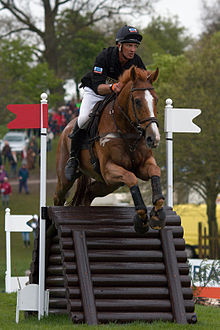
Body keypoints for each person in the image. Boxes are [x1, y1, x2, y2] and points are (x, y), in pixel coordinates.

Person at [65, 25, 146, 181]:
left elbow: (142, 84)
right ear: (119, 45)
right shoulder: (105, 56)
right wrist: (112, 87)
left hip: (118, 97)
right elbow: (98, 86)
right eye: (129, 45)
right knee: (83, 119)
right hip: (96, 92)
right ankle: (73, 158)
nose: (132, 50)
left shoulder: (137, 61)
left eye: (135, 46)